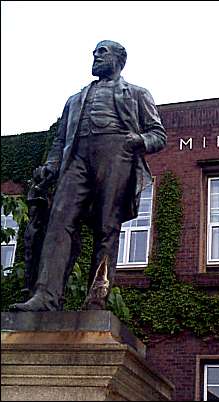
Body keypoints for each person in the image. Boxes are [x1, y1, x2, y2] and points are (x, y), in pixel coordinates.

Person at [10, 39, 166, 312]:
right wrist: (51, 165)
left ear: (119, 59)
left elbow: (158, 135)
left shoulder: (138, 94)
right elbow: (60, 141)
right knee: (59, 223)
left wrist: (137, 140)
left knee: (106, 228)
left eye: (102, 52)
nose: (95, 56)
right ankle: (46, 297)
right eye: (94, 53)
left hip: (116, 154)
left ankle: (97, 297)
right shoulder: (74, 100)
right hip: (76, 158)